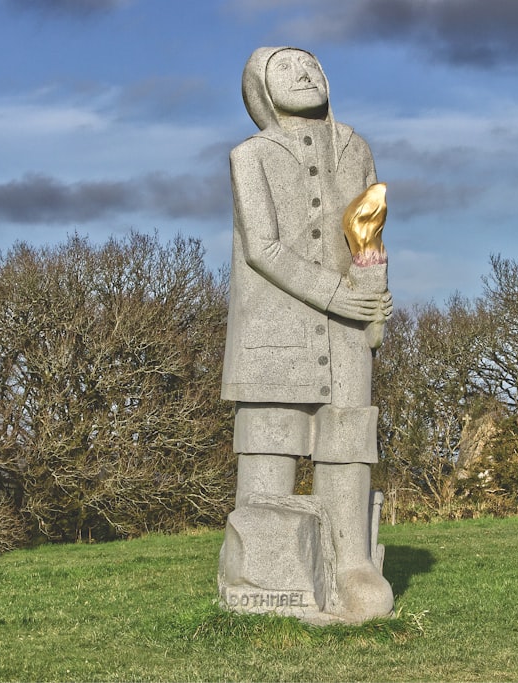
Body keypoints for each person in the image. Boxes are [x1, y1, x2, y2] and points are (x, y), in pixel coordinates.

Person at [220, 46, 394, 620]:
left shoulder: (355, 147)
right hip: (272, 324)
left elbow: (368, 229)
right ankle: (263, 570)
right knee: (270, 437)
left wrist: (372, 301)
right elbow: (262, 246)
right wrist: (336, 295)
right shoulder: (251, 155)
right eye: (286, 68)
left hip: (346, 329)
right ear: (262, 91)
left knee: (346, 437)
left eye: (312, 64)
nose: (305, 72)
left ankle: (352, 564)